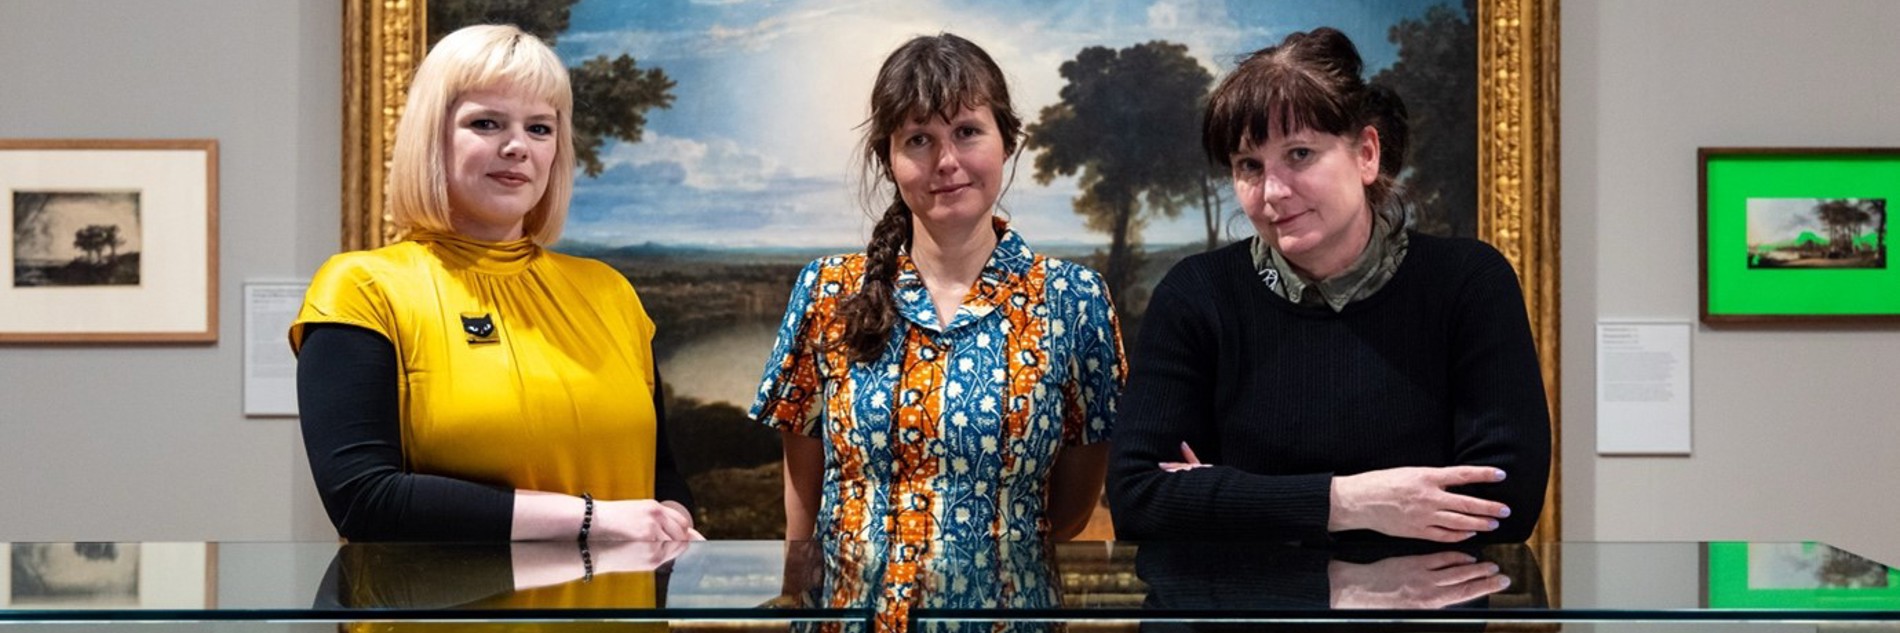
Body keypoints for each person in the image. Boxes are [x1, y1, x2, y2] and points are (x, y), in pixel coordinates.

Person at [1107, 27, 1550, 544]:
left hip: (1415, 619)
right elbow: (1139, 501)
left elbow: (1505, 504)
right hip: (1239, 622)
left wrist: (1226, 495)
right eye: (1249, 166)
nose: (1273, 192)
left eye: (1299, 154)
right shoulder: (1196, 295)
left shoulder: (1468, 283)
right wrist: (1352, 502)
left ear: (1366, 154)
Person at [749, 31, 1125, 628]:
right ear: (889, 158)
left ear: (1007, 141)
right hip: (851, 617)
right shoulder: (828, 291)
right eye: (919, 139)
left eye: (967, 132)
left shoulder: (1072, 301)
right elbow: (805, 465)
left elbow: (1073, 504)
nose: (946, 161)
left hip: (1008, 616)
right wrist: (799, 586)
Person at [290, 24, 699, 549]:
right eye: (486, 123)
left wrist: (671, 518)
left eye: (540, 128)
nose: (517, 147)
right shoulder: (363, 288)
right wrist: (593, 519)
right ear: (431, 137)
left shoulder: (611, 292)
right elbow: (365, 500)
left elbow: (660, 474)